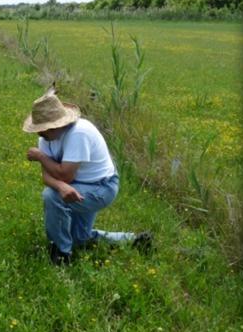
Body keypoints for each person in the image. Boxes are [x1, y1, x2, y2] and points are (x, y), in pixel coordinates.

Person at [23, 86, 152, 265]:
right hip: (77, 185)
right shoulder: (46, 139)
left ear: (55, 126)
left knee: (51, 196)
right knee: (80, 238)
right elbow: (47, 177)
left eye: (42, 128)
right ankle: (134, 240)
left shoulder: (79, 133)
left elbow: (64, 175)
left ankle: (61, 254)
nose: (38, 133)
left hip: (101, 187)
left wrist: (40, 157)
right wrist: (60, 185)